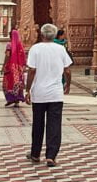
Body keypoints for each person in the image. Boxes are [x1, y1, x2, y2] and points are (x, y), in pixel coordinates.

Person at [24, 23, 72, 167]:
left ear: (42, 34)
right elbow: (67, 70)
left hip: (39, 93)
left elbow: (31, 70)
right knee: (54, 125)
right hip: (56, 93)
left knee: (38, 124)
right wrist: (68, 84)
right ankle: (51, 156)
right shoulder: (61, 49)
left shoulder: (35, 49)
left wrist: (28, 89)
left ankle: (35, 153)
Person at [1, 28, 27, 107]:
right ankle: (16, 100)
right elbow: (23, 57)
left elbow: (8, 55)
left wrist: (4, 65)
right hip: (18, 68)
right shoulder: (20, 45)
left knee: (8, 83)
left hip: (10, 67)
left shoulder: (9, 45)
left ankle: (10, 99)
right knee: (17, 83)